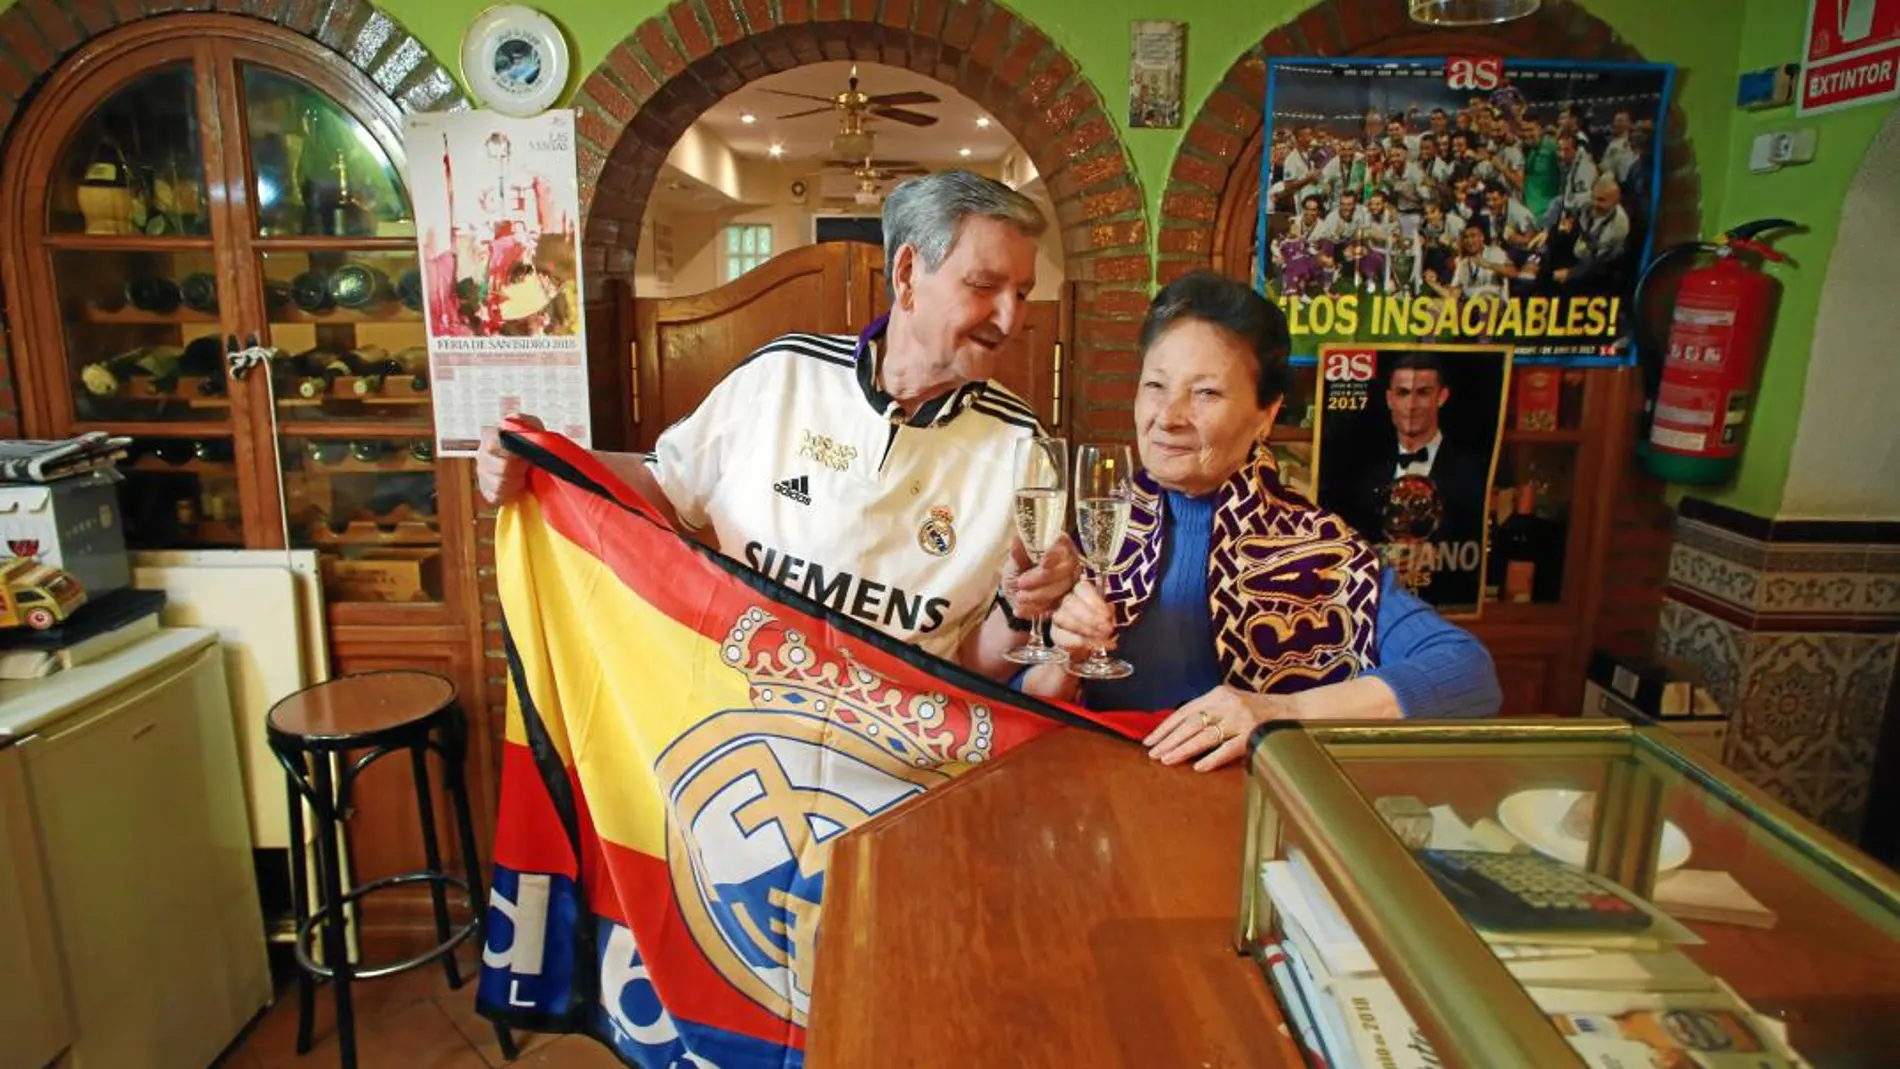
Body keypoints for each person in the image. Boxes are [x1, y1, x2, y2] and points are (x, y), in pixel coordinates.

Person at [476, 170, 1077, 678]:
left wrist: (1022, 606)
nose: (1010, 316)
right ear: (906, 276)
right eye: (984, 286)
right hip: (740, 731)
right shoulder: (783, 374)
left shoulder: (1022, 446)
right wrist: (543, 458)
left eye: (1022, 293)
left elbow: (974, 663)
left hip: (899, 759)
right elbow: (666, 485)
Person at [1023, 272, 1500, 770]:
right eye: (1155, 386)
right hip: (1106, 804)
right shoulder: (1094, 532)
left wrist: (1279, 711)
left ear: (1265, 416)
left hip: (1255, 816)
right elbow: (1021, 698)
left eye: (1205, 393)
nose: (1168, 416)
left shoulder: (1321, 549)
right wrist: (1065, 660)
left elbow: (1468, 676)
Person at [1335, 350, 1494, 611]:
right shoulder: (1364, 479)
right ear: (1389, 399)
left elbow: (1476, 560)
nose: (1411, 406)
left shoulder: (1472, 473)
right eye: (1403, 393)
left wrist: (1435, 556)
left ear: (1441, 397)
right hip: (1375, 615)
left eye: (1423, 392)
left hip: (1445, 614)